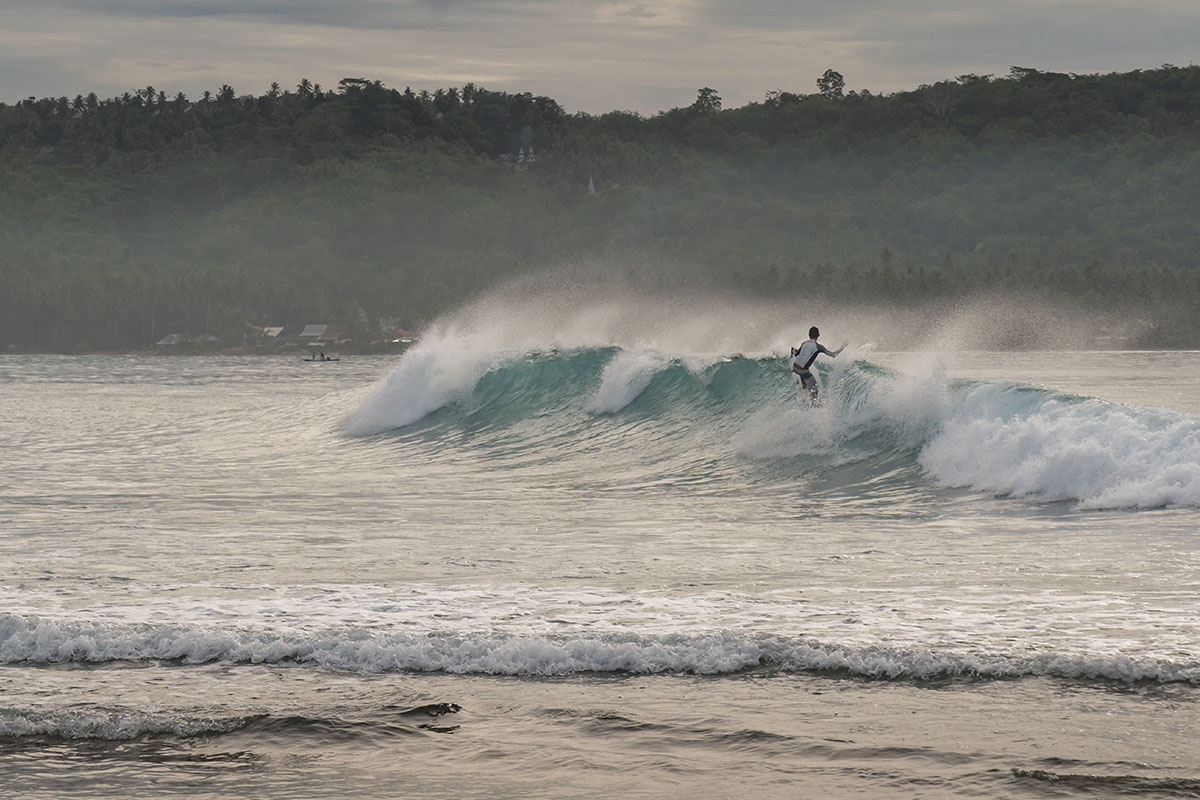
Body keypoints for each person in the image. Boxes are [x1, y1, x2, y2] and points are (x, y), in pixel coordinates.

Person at [790, 326, 847, 405]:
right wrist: (843, 347)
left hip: (794, 367)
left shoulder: (804, 343)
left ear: (809, 335)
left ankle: (804, 385)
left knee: (805, 370)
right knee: (815, 387)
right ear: (818, 335)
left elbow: (797, 354)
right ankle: (814, 403)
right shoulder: (818, 347)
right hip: (802, 371)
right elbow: (833, 355)